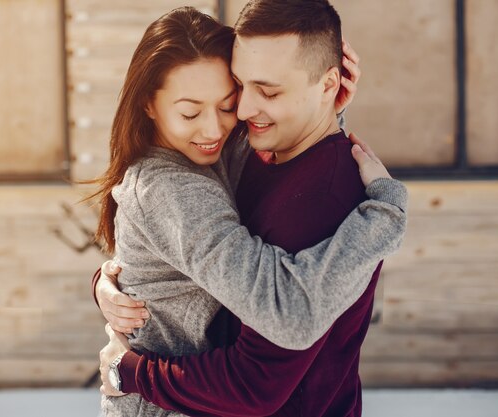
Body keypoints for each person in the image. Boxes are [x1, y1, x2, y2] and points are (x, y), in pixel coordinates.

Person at [92, 4, 407, 417]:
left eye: (229, 101)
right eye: (190, 112)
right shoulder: (176, 183)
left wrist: (326, 105)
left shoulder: (227, 154)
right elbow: (286, 315)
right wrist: (385, 216)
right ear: (148, 105)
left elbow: (287, 316)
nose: (222, 124)